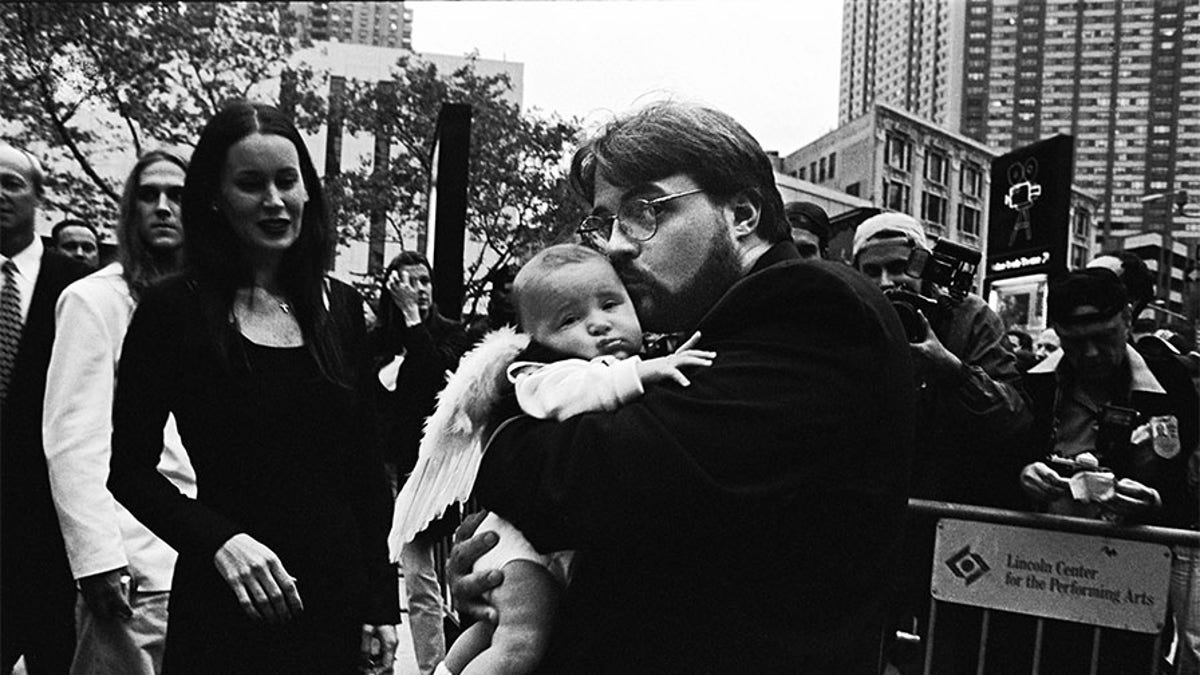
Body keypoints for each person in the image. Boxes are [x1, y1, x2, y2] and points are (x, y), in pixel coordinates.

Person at [448, 101, 916, 673]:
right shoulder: (725, 325)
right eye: (606, 222)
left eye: (645, 210)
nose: (616, 245)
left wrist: (495, 443)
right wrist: (508, 571)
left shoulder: (813, 305)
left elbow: (609, 479)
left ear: (741, 213)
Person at [106, 101, 399, 674]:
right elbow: (129, 471)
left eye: (286, 181)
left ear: (308, 191)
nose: (273, 201)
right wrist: (219, 541)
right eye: (250, 183)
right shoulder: (172, 309)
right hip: (226, 601)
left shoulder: (340, 307)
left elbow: (367, 472)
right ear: (214, 197)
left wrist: (380, 603)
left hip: (333, 604)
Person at [389, 244, 714, 674]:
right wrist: (645, 372)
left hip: (531, 547)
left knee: (494, 633)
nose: (598, 324)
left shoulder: (639, 358)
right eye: (570, 320)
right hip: (523, 548)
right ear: (538, 340)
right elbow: (581, 391)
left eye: (611, 304)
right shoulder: (544, 374)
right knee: (521, 644)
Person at [851, 212, 1031, 672]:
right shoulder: (852, 315)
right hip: (877, 519)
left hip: (956, 521)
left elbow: (1015, 415)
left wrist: (953, 372)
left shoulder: (970, 317)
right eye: (871, 272)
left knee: (948, 653)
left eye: (898, 267)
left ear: (924, 264)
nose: (887, 281)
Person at [43, 150, 197, 674]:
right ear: (128, 211)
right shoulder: (93, 301)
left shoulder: (213, 302)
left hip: (206, 561)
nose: (162, 207)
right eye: (148, 196)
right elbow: (73, 440)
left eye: (177, 196)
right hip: (134, 567)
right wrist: (97, 559)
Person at [1019, 267, 1199, 673]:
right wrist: (1025, 476)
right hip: (1044, 576)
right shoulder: (1035, 385)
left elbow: (1182, 484)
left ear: (1129, 321)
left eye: (1105, 337)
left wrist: (1152, 502)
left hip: (1132, 588)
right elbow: (1000, 464)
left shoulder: (1171, 384)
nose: (1092, 355)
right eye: (1076, 343)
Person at [0, 142, 92, 675]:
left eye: (13, 183)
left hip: (49, 536)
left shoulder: (76, 286)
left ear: (38, 197)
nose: (1, 194)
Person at [369, 250, 471, 675]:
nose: (419, 290)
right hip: (381, 470)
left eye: (424, 281)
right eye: (407, 282)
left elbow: (434, 374)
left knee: (432, 576)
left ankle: (436, 666)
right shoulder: (375, 340)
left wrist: (413, 321)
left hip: (430, 473)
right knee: (411, 575)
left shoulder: (452, 334)